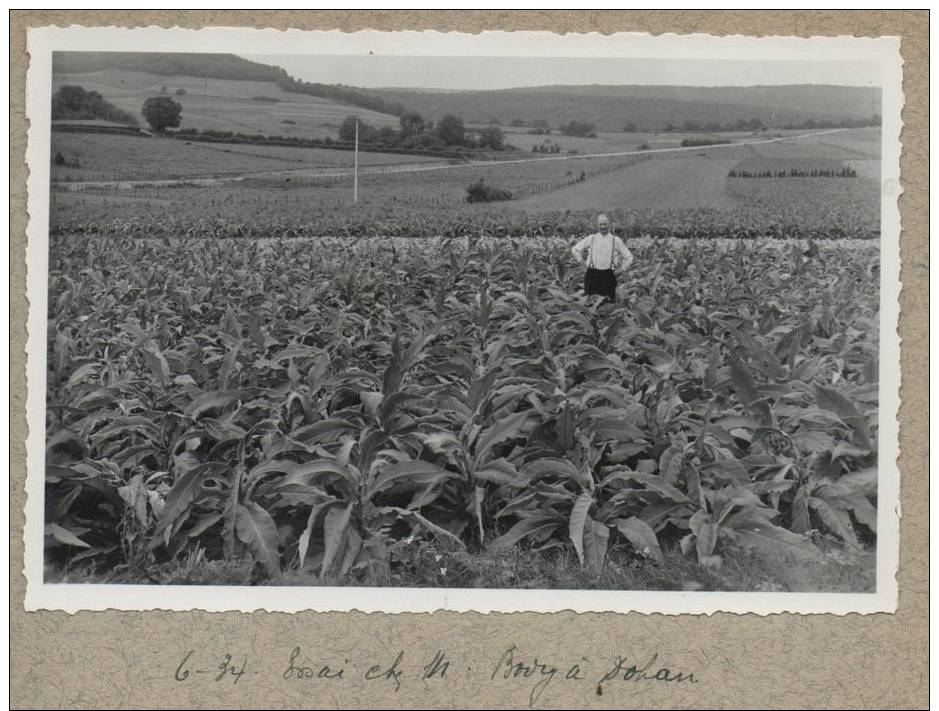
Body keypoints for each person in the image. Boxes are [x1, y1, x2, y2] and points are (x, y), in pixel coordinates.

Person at [571, 214, 633, 302]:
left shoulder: (615, 240)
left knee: (607, 304)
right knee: (590, 304)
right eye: (600, 224)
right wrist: (581, 261)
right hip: (592, 275)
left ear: (609, 224)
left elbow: (629, 257)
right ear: (597, 225)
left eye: (605, 224)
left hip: (608, 276)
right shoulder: (592, 238)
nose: (602, 227)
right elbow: (575, 249)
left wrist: (621, 270)